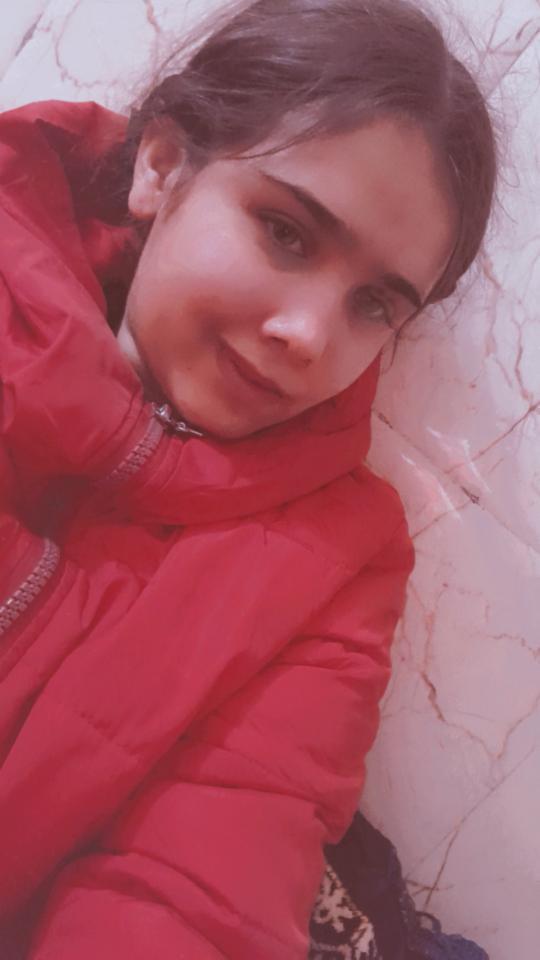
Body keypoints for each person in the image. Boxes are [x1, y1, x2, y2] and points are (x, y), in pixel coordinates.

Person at [0, 0, 497, 956]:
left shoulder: (337, 560)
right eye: (286, 232)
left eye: (374, 304)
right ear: (161, 166)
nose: (308, 336)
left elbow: (198, 887)